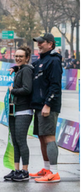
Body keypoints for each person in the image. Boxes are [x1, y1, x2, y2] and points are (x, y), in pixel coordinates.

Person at [29, 33, 63, 183]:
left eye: (42, 43)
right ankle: (46, 168)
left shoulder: (54, 61)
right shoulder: (41, 60)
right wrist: (16, 69)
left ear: (50, 44)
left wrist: (48, 104)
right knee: (42, 137)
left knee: (49, 138)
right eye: (38, 42)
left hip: (48, 106)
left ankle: (54, 173)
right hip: (38, 106)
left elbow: (55, 86)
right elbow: (29, 69)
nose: (39, 44)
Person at [3, 46, 34, 182]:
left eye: (21, 56)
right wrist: (15, 68)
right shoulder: (20, 69)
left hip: (24, 110)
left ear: (27, 58)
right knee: (15, 141)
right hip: (15, 110)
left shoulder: (27, 70)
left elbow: (27, 89)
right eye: (16, 56)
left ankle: (25, 171)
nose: (18, 58)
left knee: (21, 141)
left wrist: (12, 90)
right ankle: (16, 170)